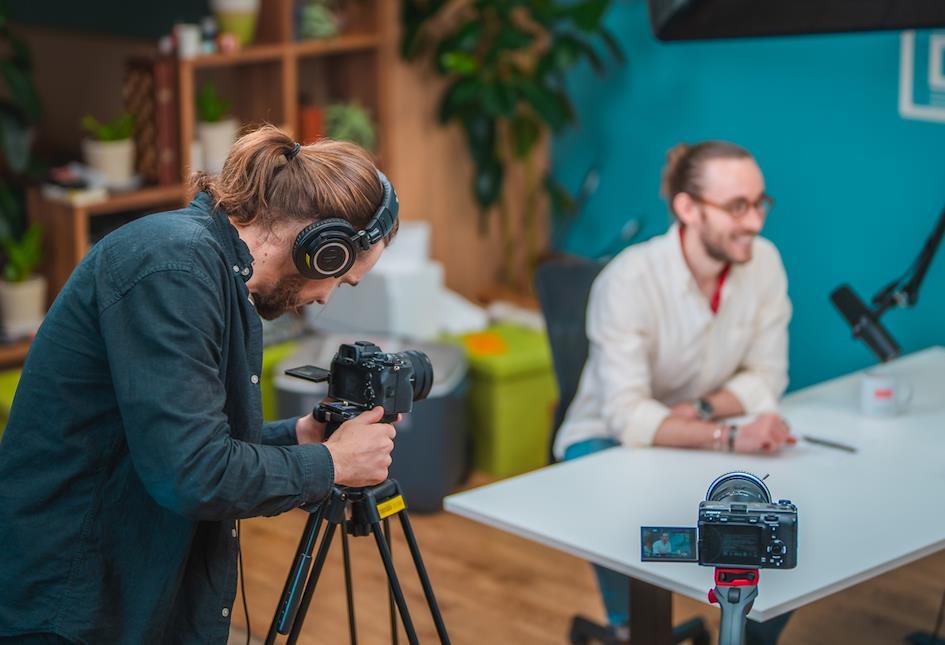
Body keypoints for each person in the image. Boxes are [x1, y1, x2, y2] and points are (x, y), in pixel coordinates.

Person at [0, 125, 401, 644]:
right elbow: (192, 473)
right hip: (69, 604)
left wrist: (298, 438)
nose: (326, 298)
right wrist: (332, 464)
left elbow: (188, 442)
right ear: (324, 250)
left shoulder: (212, 274)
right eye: (341, 280)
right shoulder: (174, 270)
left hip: (127, 586)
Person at [554, 141, 795, 644]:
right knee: (614, 493)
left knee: (781, 511)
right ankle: (629, 627)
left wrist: (703, 411)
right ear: (687, 207)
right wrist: (728, 435)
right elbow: (630, 418)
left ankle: (751, 632)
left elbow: (767, 377)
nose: (755, 222)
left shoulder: (764, 264)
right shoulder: (629, 279)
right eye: (737, 207)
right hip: (607, 434)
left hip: (700, 425)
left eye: (759, 204)